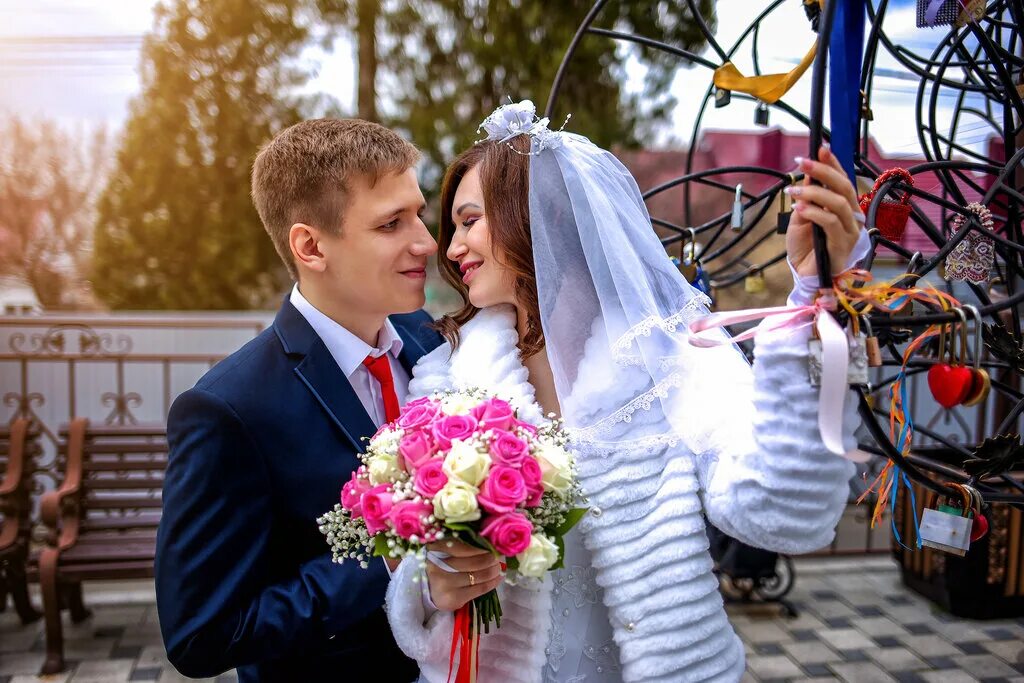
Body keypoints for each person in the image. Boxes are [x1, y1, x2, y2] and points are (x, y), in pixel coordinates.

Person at [385, 100, 871, 682]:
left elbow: (783, 514)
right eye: (454, 227)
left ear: (538, 219)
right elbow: (410, 568)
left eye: (469, 221)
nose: (452, 248)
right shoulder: (446, 376)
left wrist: (810, 305)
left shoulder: (678, 360)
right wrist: (436, 579)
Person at [155, 118, 442, 682]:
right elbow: (201, 633)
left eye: (419, 214)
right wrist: (390, 561)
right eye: (391, 223)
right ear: (311, 246)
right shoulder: (227, 409)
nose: (427, 242)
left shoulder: (426, 340)